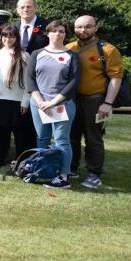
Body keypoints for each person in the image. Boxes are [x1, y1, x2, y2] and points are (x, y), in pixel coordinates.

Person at [67, 15, 124, 189]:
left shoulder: (108, 50)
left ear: (95, 28)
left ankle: (94, 173)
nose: (82, 30)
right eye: (79, 27)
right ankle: (71, 168)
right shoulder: (69, 48)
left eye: (87, 27)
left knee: (93, 138)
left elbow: (116, 78)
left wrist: (107, 103)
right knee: (71, 137)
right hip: (71, 100)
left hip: (96, 100)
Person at [27, 20, 81, 189]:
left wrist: (53, 102)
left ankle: (63, 177)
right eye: (54, 31)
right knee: (42, 138)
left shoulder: (72, 56)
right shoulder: (37, 53)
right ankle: (43, 171)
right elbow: (30, 79)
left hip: (61, 105)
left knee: (61, 140)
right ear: (47, 33)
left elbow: (73, 82)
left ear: (66, 35)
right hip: (39, 103)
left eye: (61, 31)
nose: (57, 34)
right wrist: (41, 101)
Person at [0, 25, 31, 167]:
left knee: (19, 133)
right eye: (5, 36)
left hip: (16, 99)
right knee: (0, 131)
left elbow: (28, 81)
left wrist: (25, 101)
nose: (7, 39)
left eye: (11, 36)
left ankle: (20, 160)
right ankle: (0, 157)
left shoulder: (24, 55)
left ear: (16, 38)